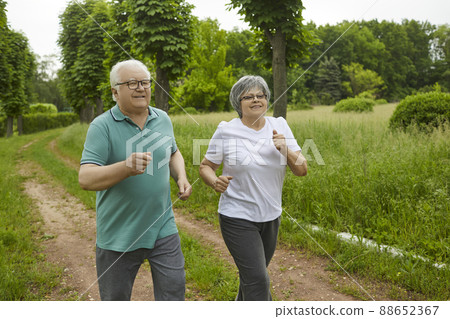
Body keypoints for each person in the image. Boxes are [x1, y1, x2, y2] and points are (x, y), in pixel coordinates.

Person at [78, 59, 192, 301]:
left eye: (145, 82)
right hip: (119, 235)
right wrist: (125, 167)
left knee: (174, 293)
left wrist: (181, 177)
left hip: (163, 227)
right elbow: (85, 178)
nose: (141, 87)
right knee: (116, 300)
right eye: (132, 83)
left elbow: (173, 152)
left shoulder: (162, 118)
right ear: (115, 91)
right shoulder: (102, 127)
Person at [199, 75, 307, 301]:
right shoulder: (226, 130)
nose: (256, 100)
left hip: (271, 216)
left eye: (261, 95)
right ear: (238, 103)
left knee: (251, 279)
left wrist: (285, 149)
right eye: (248, 96)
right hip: (236, 216)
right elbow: (206, 166)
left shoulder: (279, 125)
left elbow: (302, 169)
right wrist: (214, 181)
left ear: (267, 99)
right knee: (258, 279)